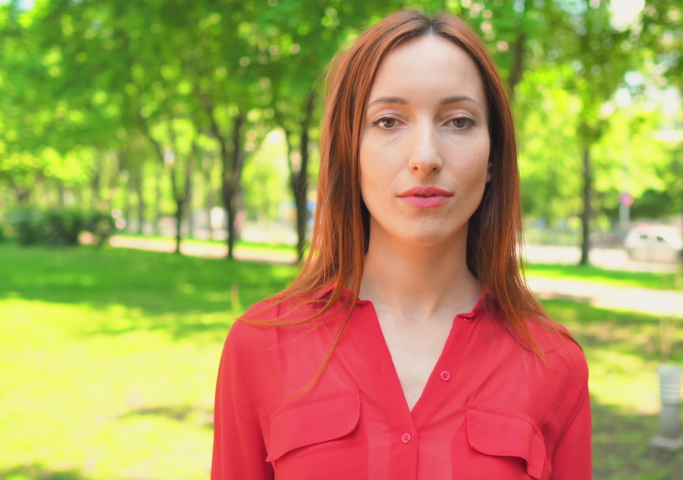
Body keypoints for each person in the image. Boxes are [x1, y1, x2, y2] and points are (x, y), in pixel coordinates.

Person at [212, 10, 591, 480]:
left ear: (493, 157)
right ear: (349, 150)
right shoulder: (260, 346)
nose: (425, 158)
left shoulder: (553, 363)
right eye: (389, 121)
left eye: (459, 122)